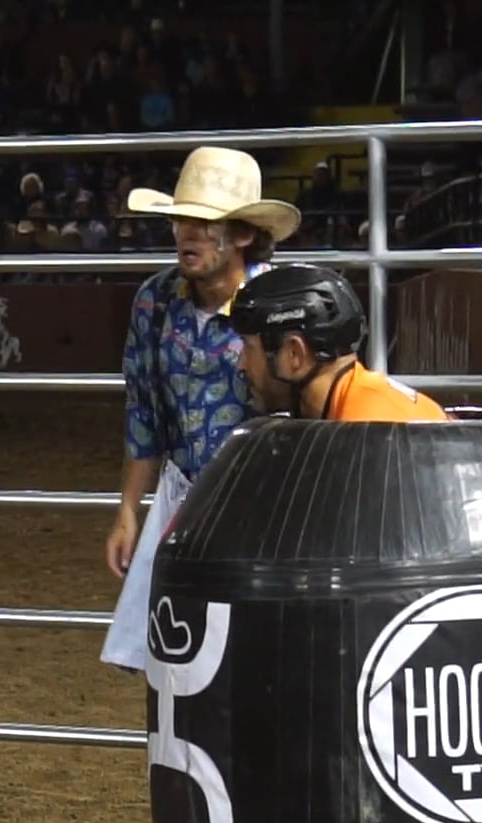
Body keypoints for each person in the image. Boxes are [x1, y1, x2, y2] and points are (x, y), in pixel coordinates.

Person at [99, 147, 301, 673]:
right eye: (180, 221)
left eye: (205, 224)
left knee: (256, 655)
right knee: (176, 653)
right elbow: (144, 409)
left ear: (242, 235)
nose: (187, 235)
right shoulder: (155, 301)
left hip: (263, 506)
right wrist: (128, 510)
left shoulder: (282, 303)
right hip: (182, 497)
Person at [228, 264, 448, 422]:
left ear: (294, 354)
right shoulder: (353, 407)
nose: (241, 365)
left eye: (249, 347)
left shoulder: (368, 424)